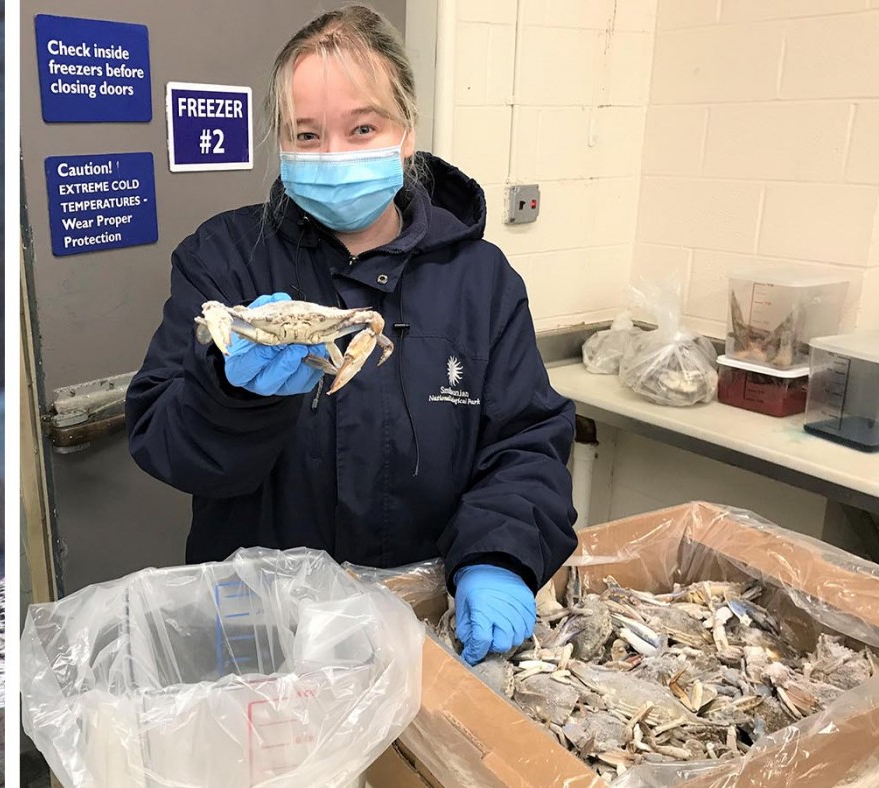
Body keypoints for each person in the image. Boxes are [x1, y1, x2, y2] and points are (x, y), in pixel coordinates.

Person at [124, 4, 576, 666]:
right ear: (281, 141)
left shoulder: (481, 281)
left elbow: (527, 442)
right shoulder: (222, 259)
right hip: (259, 633)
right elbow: (163, 442)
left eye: (362, 127)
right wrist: (230, 390)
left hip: (420, 621)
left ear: (406, 133)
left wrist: (499, 552)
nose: (333, 155)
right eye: (307, 135)